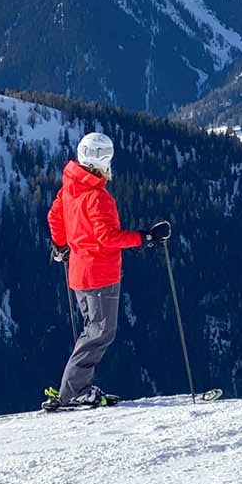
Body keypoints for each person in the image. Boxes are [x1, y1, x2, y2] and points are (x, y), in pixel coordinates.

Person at [43, 131, 170, 410]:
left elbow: (54, 215)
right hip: (100, 274)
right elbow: (107, 237)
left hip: (78, 273)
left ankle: (77, 388)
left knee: (93, 330)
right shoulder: (98, 197)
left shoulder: (71, 188)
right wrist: (144, 238)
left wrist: (61, 245)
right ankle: (74, 390)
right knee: (100, 332)